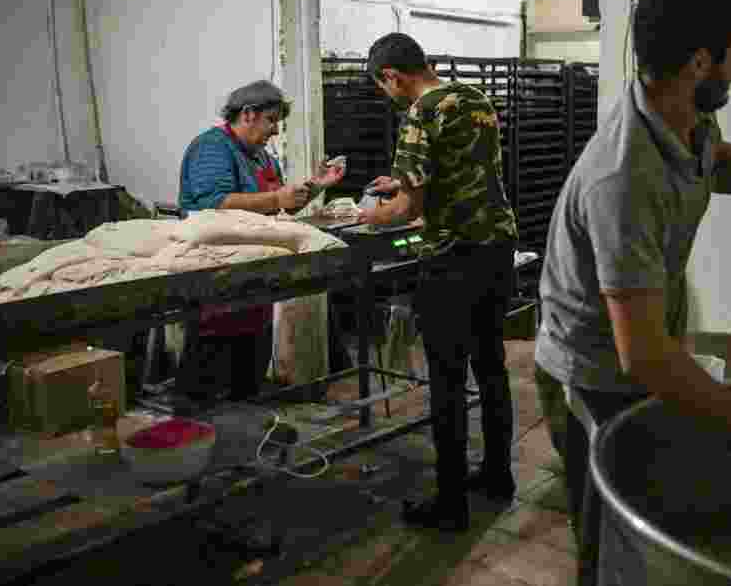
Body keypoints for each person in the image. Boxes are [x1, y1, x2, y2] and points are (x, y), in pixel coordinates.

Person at [533, 0, 731, 584]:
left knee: (655, 497)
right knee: (610, 531)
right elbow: (644, 356)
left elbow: (715, 166)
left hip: (639, 350)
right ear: (701, 62)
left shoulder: (685, 118)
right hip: (590, 372)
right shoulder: (624, 180)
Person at [358, 33, 518, 532]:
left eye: (384, 87)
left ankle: (450, 505)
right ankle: (497, 476)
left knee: (446, 380)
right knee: (490, 365)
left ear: (392, 75)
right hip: (496, 248)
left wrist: (369, 214)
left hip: (450, 258)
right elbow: (461, 168)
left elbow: (410, 209)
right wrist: (401, 184)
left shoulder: (419, 115)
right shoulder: (475, 99)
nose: (389, 96)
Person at [177, 79, 345, 405]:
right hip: (218, 269)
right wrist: (276, 198)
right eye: (271, 121)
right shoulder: (212, 147)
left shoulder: (262, 158)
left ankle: (246, 418)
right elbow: (214, 203)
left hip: (255, 271)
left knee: (251, 356)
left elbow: (281, 202)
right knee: (211, 358)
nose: (275, 132)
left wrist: (316, 184)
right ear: (248, 114)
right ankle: (197, 424)